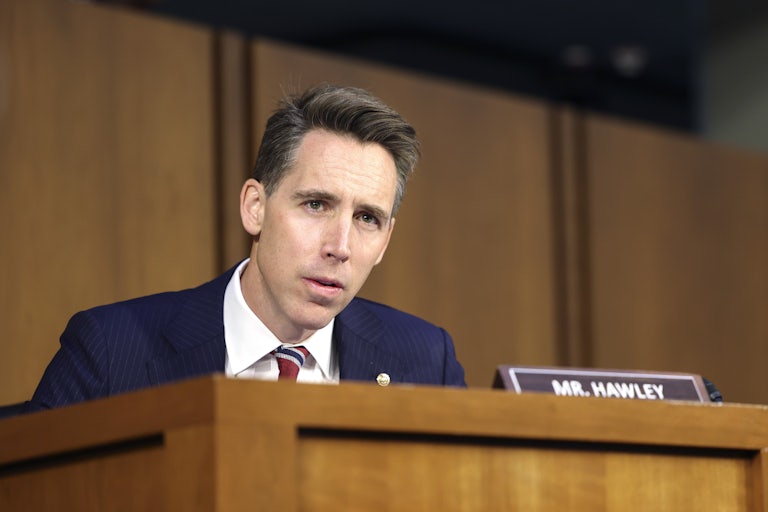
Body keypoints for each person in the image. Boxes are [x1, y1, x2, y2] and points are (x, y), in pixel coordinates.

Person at [25, 84, 466, 412]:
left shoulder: (427, 361)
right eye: (316, 204)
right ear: (255, 207)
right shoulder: (110, 351)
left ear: (386, 239)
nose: (341, 246)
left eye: (367, 218)